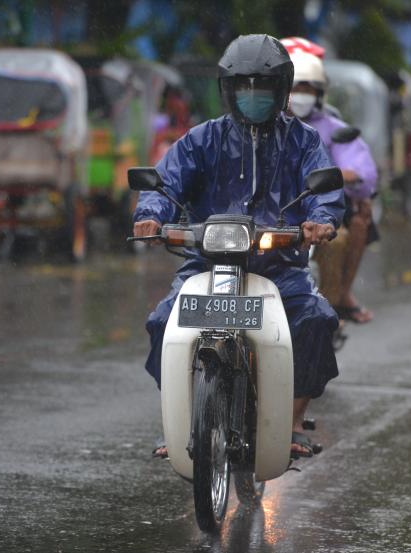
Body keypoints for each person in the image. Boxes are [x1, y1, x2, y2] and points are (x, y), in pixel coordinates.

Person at [133, 34, 344, 459]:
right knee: (161, 321)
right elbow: (166, 180)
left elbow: (323, 187)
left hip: (279, 265)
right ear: (228, 91)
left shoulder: (302, 141)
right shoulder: (201, 139)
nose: (253, 97)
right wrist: (151, 215)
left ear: (281, 90)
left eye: (262, 88)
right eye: (243, 87)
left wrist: (320, 221)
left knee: (317, 319)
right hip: (205, 263)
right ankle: (179, 419)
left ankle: (292, 421)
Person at [281, 40, 378, 324]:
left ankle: (331, 305)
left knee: (340, 237)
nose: (300, 95)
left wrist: (337, 175)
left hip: (317, 211)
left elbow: (363, 172)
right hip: (272, 210)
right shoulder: (265, 125)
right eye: (295, 87)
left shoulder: (331, 128)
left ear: (319, 92)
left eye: (307, 88)